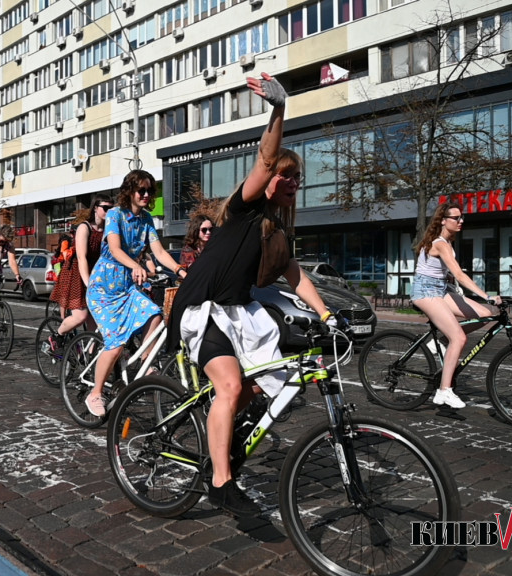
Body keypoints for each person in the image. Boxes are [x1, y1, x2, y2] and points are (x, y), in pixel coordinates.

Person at [169, 73, 334, 517]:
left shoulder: (277, 230)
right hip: (201, 308)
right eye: (287, 175)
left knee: (256, 384)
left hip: (238, 311)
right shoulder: (244, 209)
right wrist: (280, 109)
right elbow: (264, 159)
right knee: (229, 385)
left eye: (298, 176)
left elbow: (296, 276)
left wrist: (328, 315)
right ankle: (221, 483)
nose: (293, 181)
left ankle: (219, 435)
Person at [85, 170, 185, 418]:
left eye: (150, 190)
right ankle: (95, 392)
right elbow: (116, 249)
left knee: (155, 314)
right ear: (129, 190)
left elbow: (160, 252)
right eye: (142, 190)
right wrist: (136, 265)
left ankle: (146, 359)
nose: (146, 194)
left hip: (127, 288)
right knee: (116, 343)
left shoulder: (147, 220)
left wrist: (181, 271)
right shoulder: (114, 215)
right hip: (103, 289)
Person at [411, 202, 499, 409]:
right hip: (425, 293)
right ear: (443, 220)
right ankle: (443, 391)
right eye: (456, 218)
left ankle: (439, 342)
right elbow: (459, 273)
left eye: (461, 218)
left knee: (485, 314)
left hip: (441, 290)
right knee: (459, 337)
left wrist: (449, 279)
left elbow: (445, 272)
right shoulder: (440, 243)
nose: (461, 221)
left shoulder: (447, 242)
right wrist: (487, 295)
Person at [48, 195, 113, 348]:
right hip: (76, 273)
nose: (109, 211)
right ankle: (57, 336)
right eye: (105, 208)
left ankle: (90, 356)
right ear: (96, 208)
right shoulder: (85, 227)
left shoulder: (109, 229)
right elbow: (82, 257)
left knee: (96, 320)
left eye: (111, 208)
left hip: (96, 273)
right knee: (81, 316)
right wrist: (88, 283)